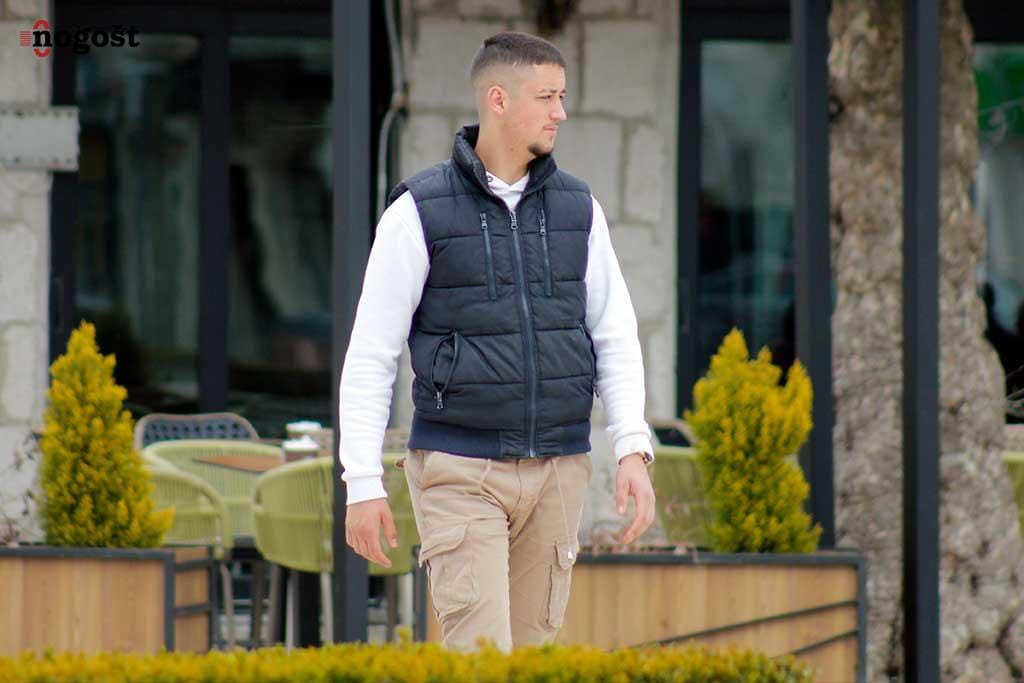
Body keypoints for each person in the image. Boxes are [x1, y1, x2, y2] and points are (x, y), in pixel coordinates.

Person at [338, 31, 656, 652]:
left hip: (559, 467)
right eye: (547, 97)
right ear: (499, 100)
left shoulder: (579, 209)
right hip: (460, 468)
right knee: (481, 656)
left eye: (562, 96)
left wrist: (631, 449)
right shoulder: (419, 211)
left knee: (532, 658)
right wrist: (363, 481)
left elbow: (615, 335)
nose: (561, 112)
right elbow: (372, 354)